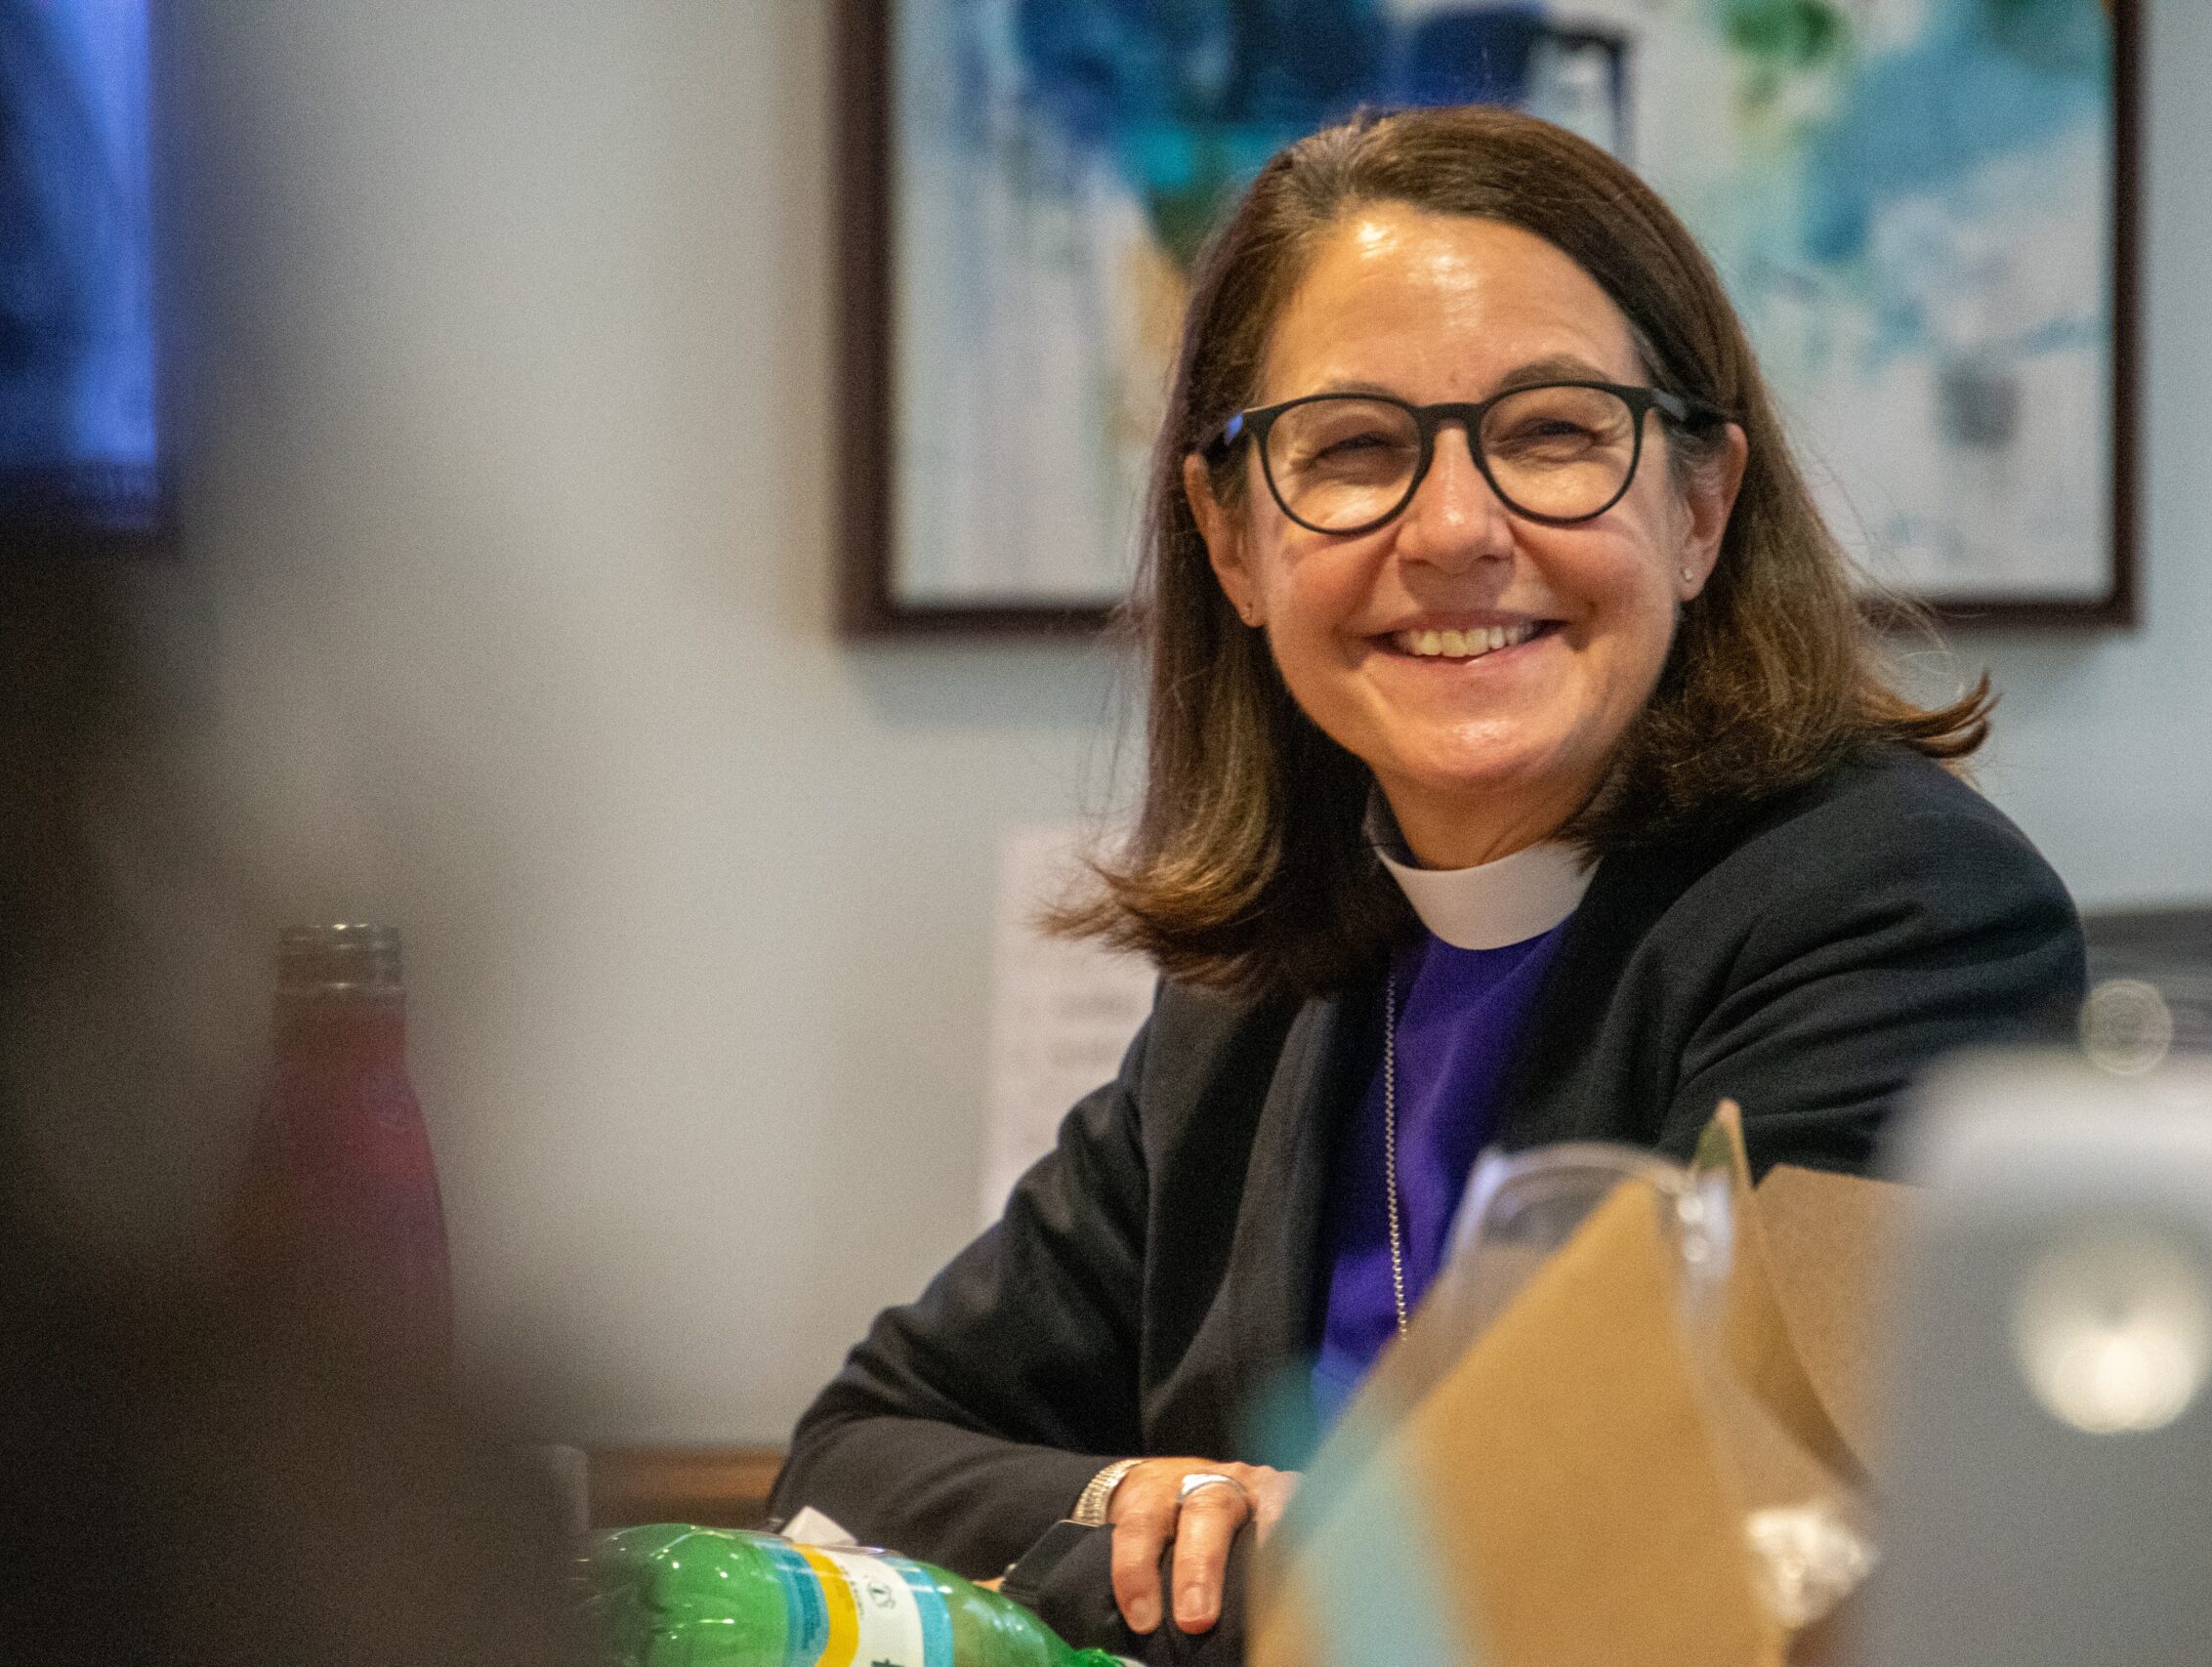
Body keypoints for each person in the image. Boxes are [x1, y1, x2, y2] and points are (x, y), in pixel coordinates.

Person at [771, 105, 2084, 1660]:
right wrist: (1145, 1506)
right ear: (1234, 543)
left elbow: (1647, 1578)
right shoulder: (1250, 989)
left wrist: (1241, 1570)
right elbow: (853, 1457)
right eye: (1354, 451)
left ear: (1700, 508)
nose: (1456, 530)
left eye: (1553, 433)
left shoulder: (1901, 915)